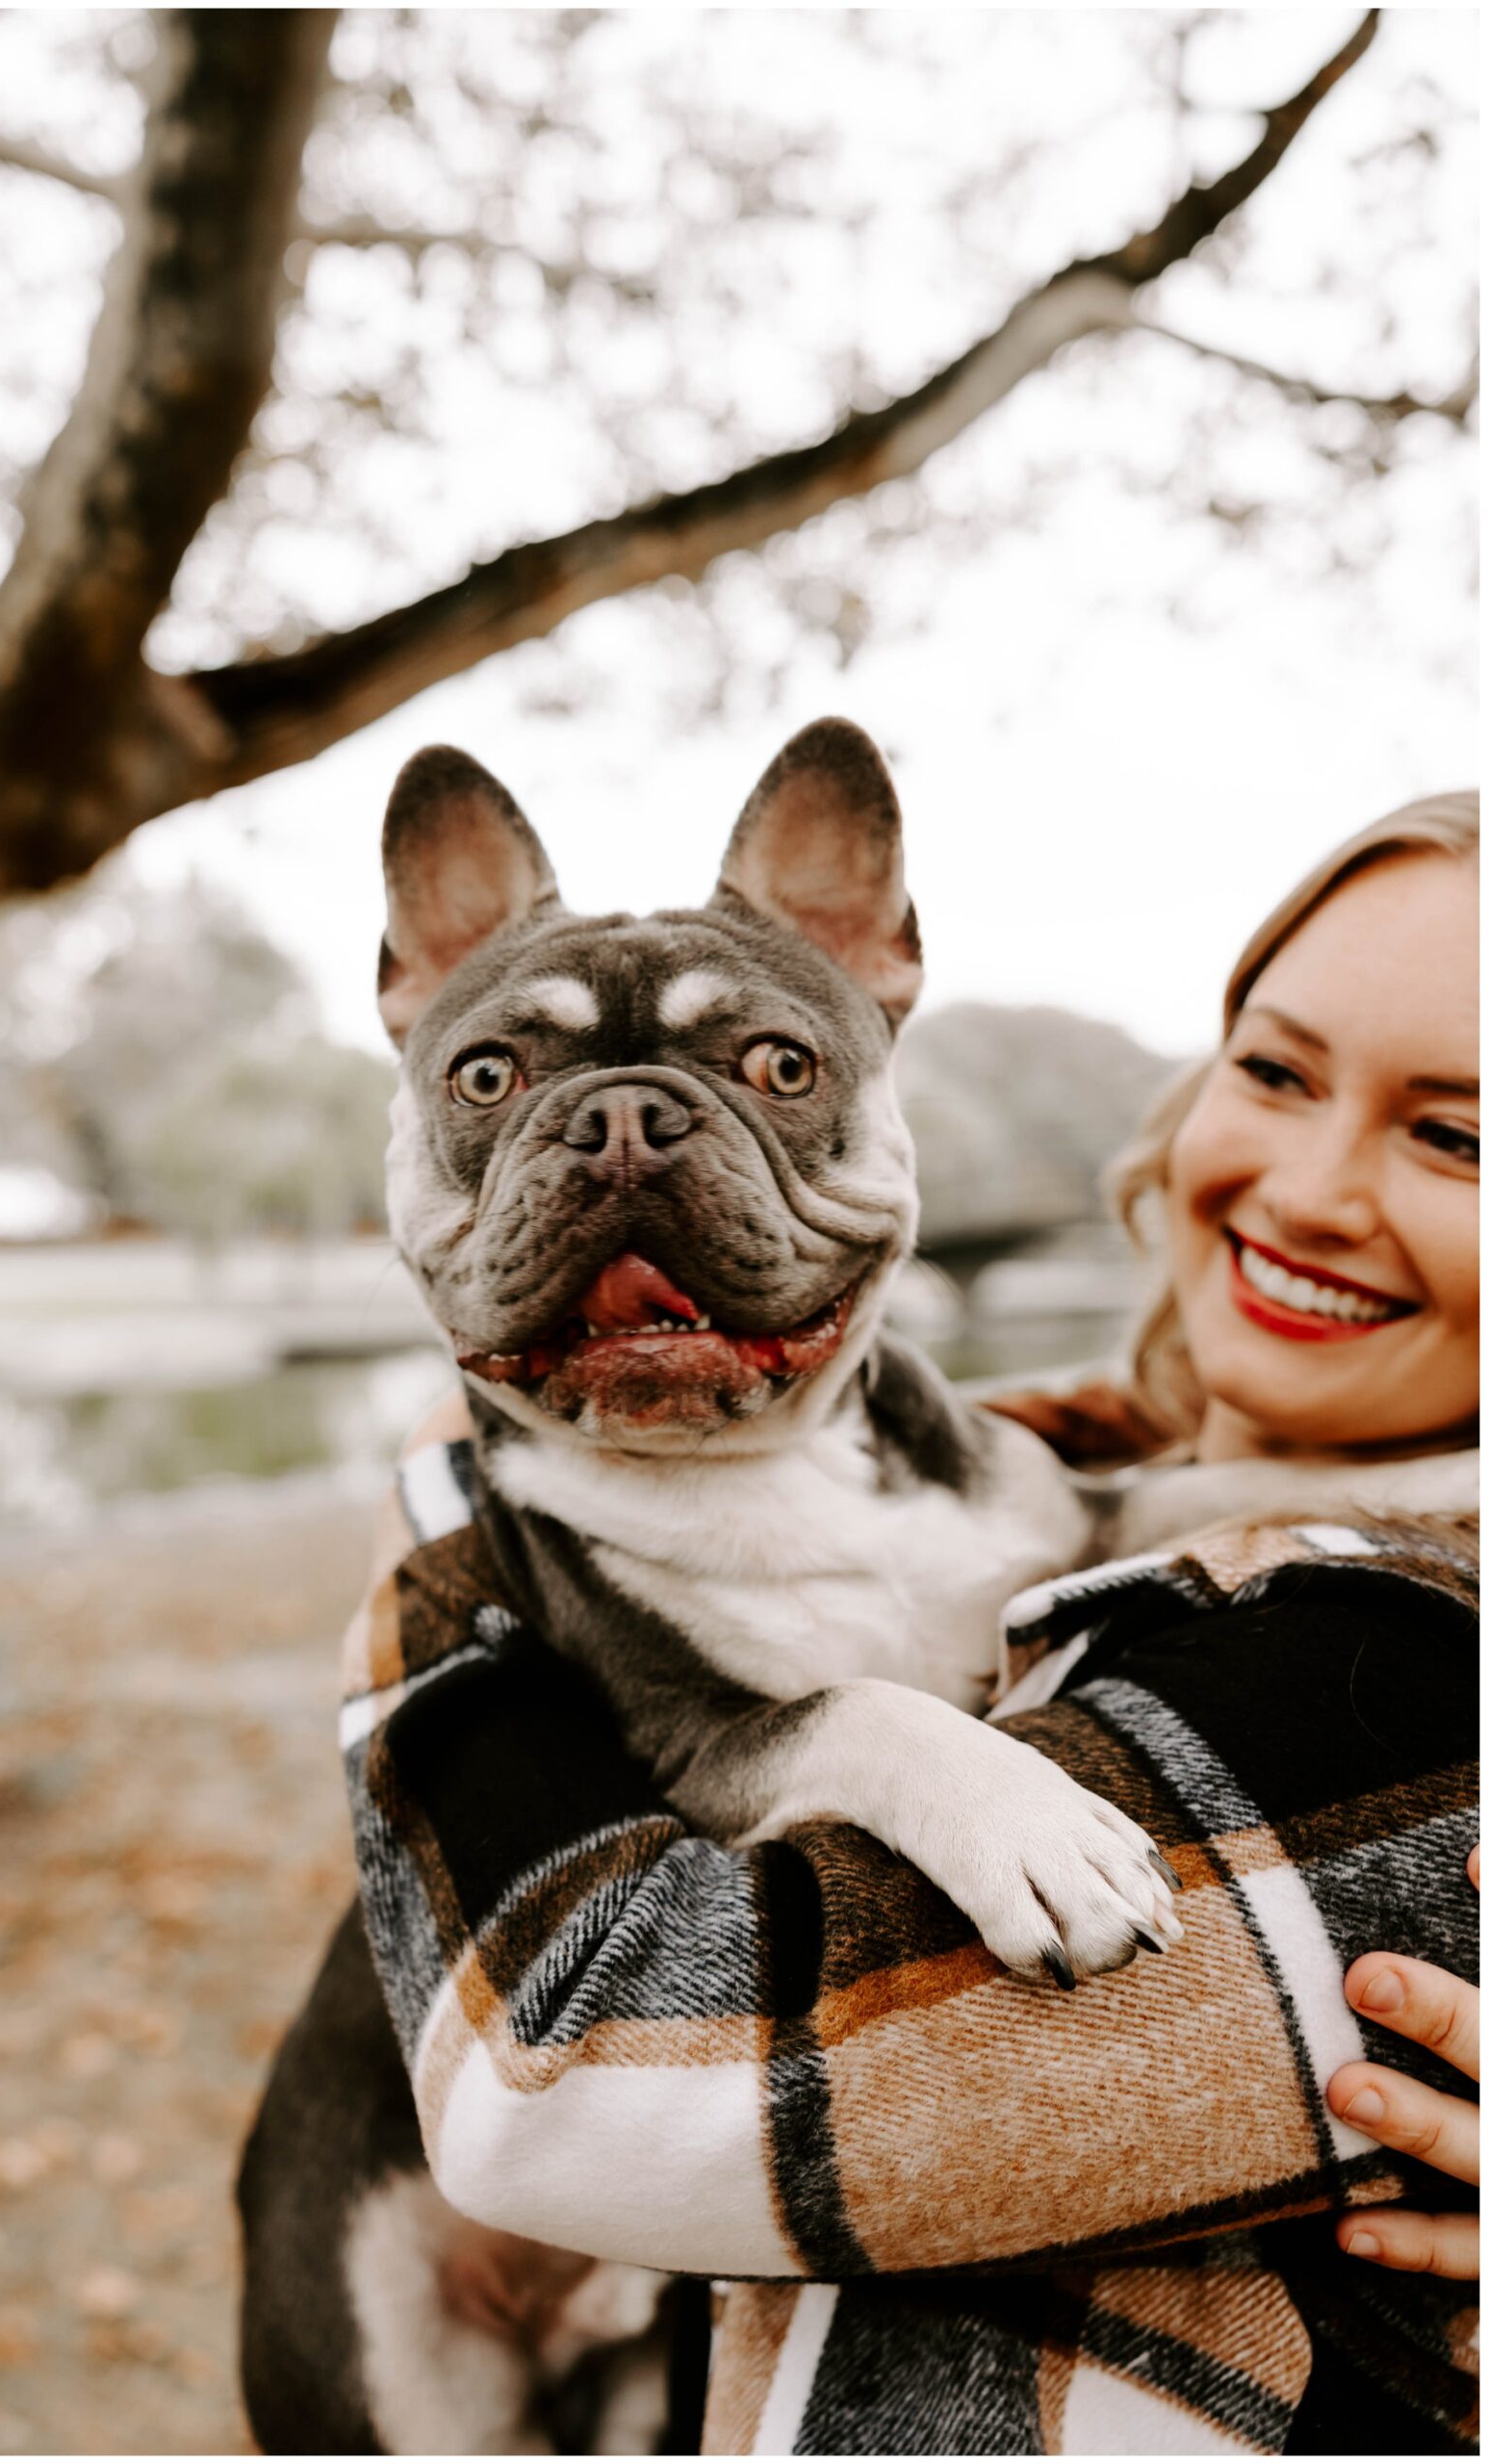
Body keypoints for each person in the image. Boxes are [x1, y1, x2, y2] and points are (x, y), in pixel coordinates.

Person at [341, 792, 1478, 2453]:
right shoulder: (1055, 1463)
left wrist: (435, 1563)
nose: (1307, 1187)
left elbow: (577, 2086)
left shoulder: (1401, 1652)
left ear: (879, 987)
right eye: (1278, 1070)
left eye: (1460, 1133)